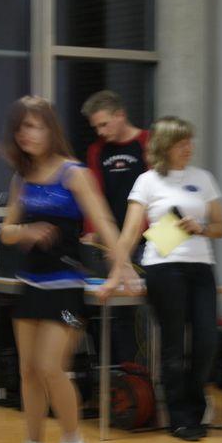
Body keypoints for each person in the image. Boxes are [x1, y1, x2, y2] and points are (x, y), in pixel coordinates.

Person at [0, 96, 122, 443]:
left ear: (51, 129)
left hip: (66, 285)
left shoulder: (74, 174)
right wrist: (25, 231)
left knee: (52, 367)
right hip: (30, 283)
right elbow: (6, 231)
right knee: (28, 370)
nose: (26, 134)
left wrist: (120, 268)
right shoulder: (21, 178)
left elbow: (103, 221)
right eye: (21, 128)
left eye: (34, 126)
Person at [99, 116, 222, 441]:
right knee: (173, 345)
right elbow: (130, 232)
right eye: (181, 143)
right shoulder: (147, 181)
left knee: (207, 341)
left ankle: (196, 406)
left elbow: (220, 227)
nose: (189, 148)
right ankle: (179, 417)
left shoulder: (204, 178)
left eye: (190, 141)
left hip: (201, 267)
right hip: (163, 267)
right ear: (165, 146)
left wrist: (201, 228)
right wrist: (116, 273)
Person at [81, 90, 150, 363]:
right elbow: (94, 196)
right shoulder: (97, 150)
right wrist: (92, 233)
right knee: (120, 312)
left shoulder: (147, 142)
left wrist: (132, 240)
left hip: (146, 242)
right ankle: (125, 371)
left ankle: (148, 372)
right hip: (111, 242)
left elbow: (155, 195)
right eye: (96, 127)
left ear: (120, 115)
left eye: (104, 124)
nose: (101, 131)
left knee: (146, 309)